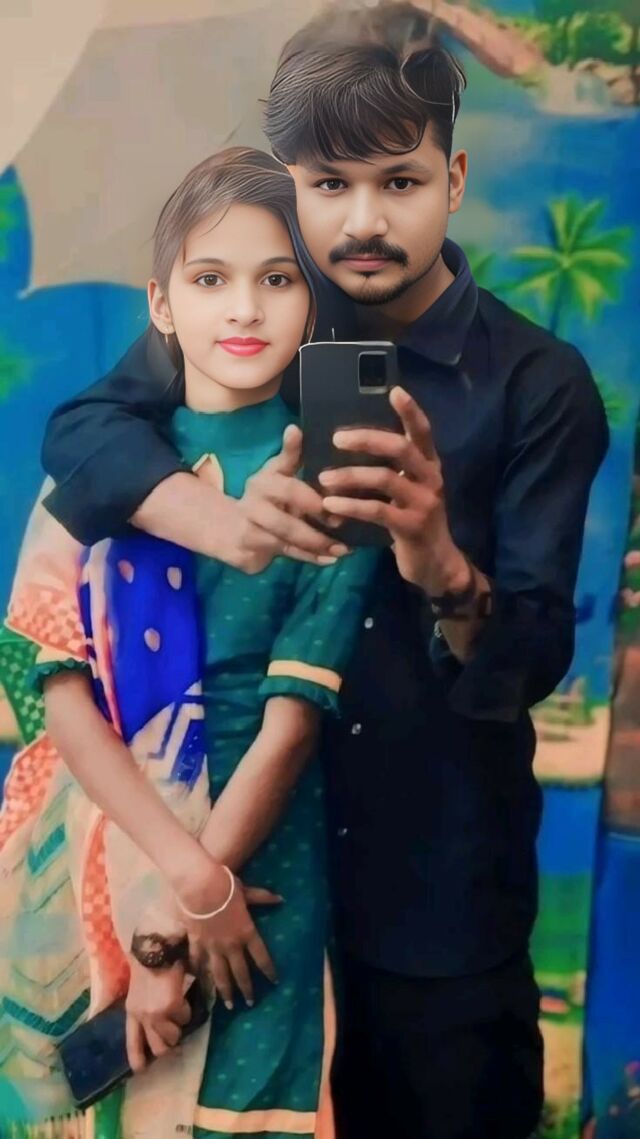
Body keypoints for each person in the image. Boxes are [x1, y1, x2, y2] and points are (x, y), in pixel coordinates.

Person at [38, 3, 609, 1137]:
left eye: (399, 182)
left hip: (438, 898)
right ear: (292, 183)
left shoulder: (538, 383)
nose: (362, 220)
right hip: (249, 875)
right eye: (329, 184)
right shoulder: (259, 317)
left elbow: (530, 662)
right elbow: (85, 434)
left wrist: (439, 562)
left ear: (452, 178)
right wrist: (221, 519)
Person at [0, 147, 378, 1139]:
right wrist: (187, 892)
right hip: (99, 851)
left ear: (312, 302)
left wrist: (190, 915)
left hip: (262, 868)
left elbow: (291, 726)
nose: (243, 308)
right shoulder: (98, 466)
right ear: (161, 304)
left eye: (277, 279)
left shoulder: (334, 479)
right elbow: (53, 687)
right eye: (210, 280)